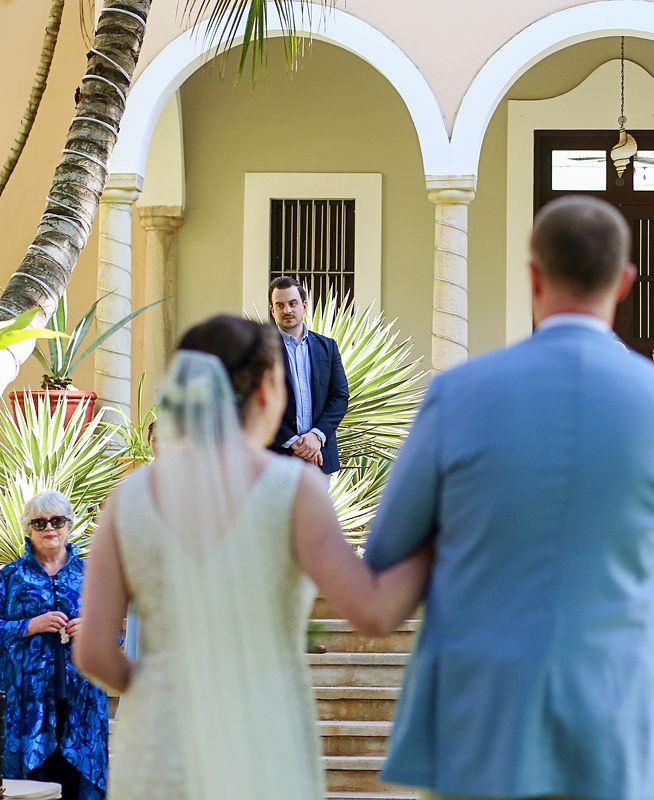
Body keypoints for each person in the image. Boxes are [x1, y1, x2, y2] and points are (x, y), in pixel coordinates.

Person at [365, 195, 654, 800]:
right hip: (615, 702)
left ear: (533, 276)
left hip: (479, 707)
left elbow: (389, 550)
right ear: (625, 281)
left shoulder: (457, 393)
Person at [74, 314, 430, 800]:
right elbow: (374, 610)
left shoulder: (129, 499)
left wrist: (162, 691)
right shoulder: (293, 490)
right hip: (263, 740)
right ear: (267, 388)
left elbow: (93, 651)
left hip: (158, 748)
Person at [0, 492, 108, 800]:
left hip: (83, 696)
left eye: (58, 521)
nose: (50, 528)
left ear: (69, 525)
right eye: (39, 522)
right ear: (28, 529)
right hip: (29, 698)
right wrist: (29, 625)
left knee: (80, 780)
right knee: (34, 782)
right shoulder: (10, 577)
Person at [268, 275, 350, 474]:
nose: (287, 310)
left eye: (292, 303)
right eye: (279, 305)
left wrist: (316, 437)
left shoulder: (327, 347)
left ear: (304, 305)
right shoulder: (262, 350)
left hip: (319, 457)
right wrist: (294, 443)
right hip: (277, 458)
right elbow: (258, 401)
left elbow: (340, 397)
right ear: (272, 310)